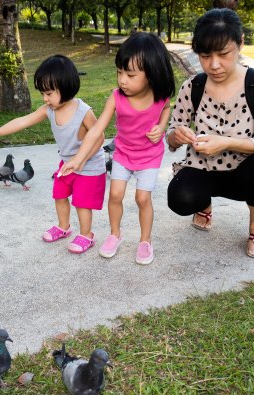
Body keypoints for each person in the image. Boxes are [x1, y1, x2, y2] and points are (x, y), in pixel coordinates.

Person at [165, 8, 254, 258]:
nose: (214, 64)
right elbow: (173, 130)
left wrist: (226, 142)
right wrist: (176, 136)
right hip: (204, 168)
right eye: (205, 56)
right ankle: (204, 204)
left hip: (247, 170)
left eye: (223, 54)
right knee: (180, 198)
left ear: (240, 44)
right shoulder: (193, 86)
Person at [59, 32, 176, 265]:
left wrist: (162, 127)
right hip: (123, 153)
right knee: (115, 194)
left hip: (150, 156)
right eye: (119, 72)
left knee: (143, 198)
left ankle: (145, 241)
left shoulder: (159, 96)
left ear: (152, 74)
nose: (122, 80)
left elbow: (166, 109)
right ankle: (115, 234)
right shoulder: (116, 97)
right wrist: (79, 159)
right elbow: (96, 130)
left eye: (130, 75)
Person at [0, 55, 106, 254]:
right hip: (67, 164)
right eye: (42, 93)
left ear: (65, 87)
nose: (45, 99)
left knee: (82, 203)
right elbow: (22, 121)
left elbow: (99, 138)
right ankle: (64, 227)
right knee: (59, 195)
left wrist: (81, 160)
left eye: (49, 93)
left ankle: (86, 235)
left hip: (89, 164)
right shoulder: (49, 109)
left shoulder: (83, 111)